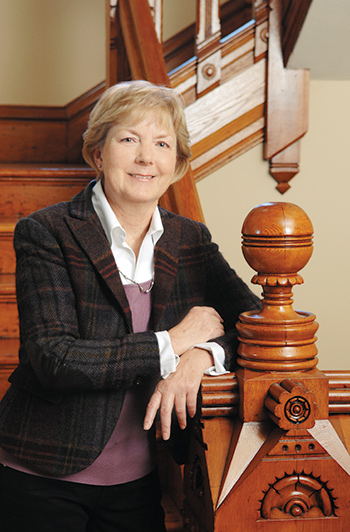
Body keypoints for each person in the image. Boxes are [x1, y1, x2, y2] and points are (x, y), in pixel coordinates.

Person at [0, 80, 260, 532]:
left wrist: (200, 357)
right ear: (98, 153)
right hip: (39, 475)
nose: (146, 157)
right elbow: (55, 358)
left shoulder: (189, 239)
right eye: (128, 139)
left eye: (162, 144)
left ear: (176, 165)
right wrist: (175, 340)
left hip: (138, 481)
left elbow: (258, 325)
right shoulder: (47, 232)